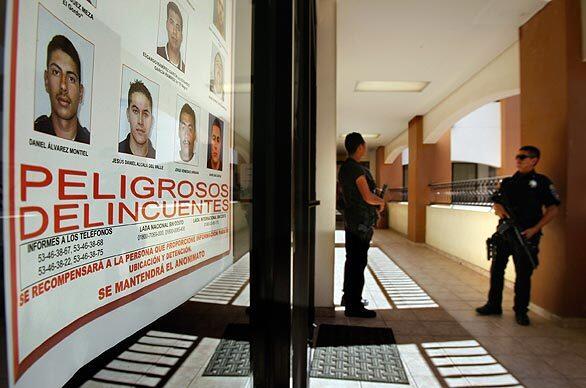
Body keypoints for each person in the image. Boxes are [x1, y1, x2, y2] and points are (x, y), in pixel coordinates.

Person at [476, 146, 560, 326]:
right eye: (517, 157)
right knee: (497, 270)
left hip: (526, 235)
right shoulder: (508, 183)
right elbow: (496, 204)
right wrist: (499, 210)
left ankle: (521, 311)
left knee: (523, 274)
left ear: (534, 160)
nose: (518, 160)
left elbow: (553, 209)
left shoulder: (542, 182)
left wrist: (536, 228)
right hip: (504, 234)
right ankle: (493, 304)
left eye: (523, 157)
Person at [337, 132, 385, 318]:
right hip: (360, 226)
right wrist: (381, 202)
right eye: (364, 145)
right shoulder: (356, 169)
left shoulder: (345, 168)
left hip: (352, 223)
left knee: (352, 261)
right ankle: (354, 306)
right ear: (359, 147)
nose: (364, 148)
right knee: (358, 263)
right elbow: (367, 196)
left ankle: (348, 298)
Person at [35, 35, 90, 144]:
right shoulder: (35, 131)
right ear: (46, 80)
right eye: (56, 72)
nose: (63, 86)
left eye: (71, 78)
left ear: (81, 93)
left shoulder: (90, 141)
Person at [119, 80, 156, 159]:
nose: (140, 121)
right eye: (135, 111)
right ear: (128, 114)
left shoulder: (158, 158)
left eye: (145, 114)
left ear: (152, 121)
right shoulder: (117, 151)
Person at [157, 1, 185, 73]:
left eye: (178, 27)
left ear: (182, 36)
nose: (174, 31)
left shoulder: (184, 68)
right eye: (172, 23)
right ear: (166, 24)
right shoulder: (158, 52)